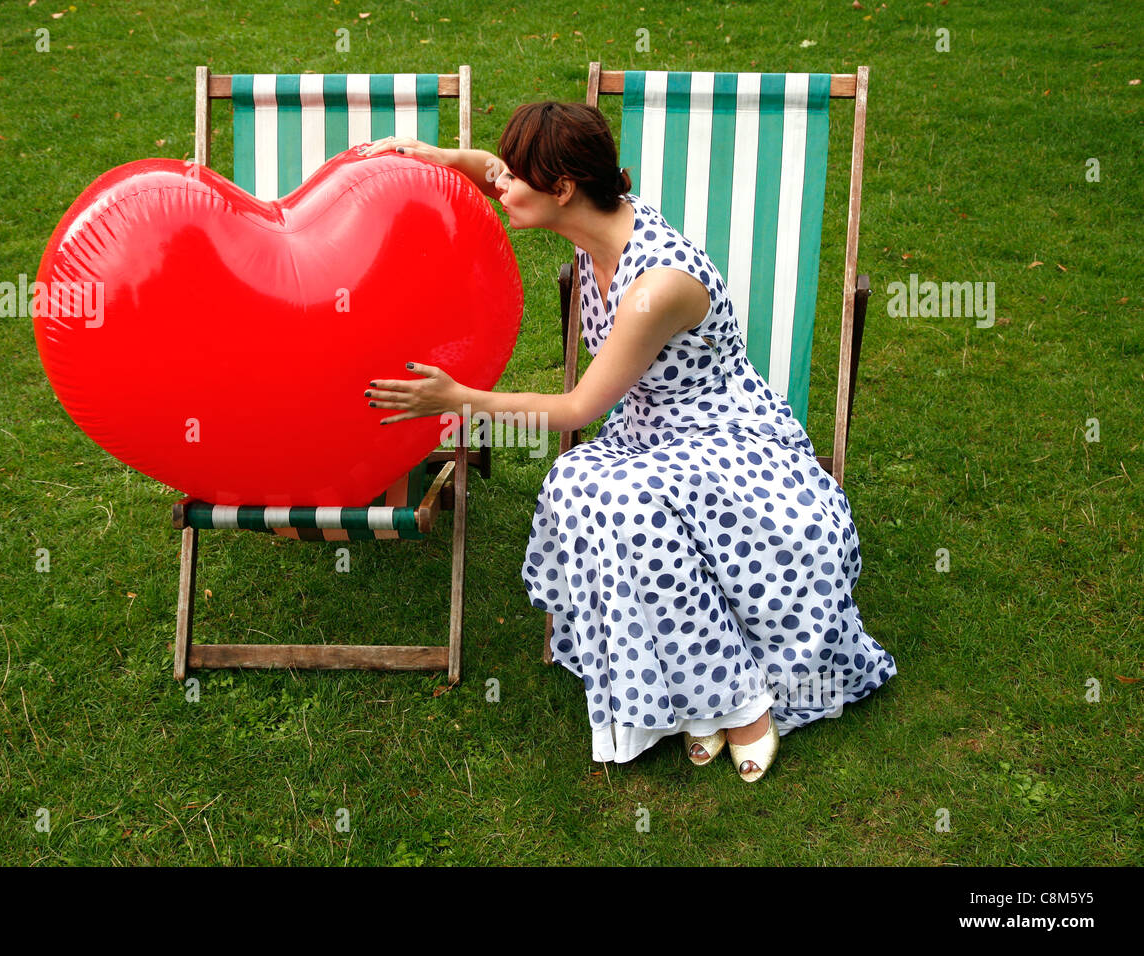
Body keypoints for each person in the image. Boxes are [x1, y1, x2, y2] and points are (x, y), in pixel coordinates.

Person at [357, 102, 896, 781]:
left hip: (726, 448)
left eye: (519, 178)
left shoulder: (657, 286)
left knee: (616, 493)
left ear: (562, 190)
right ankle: (703, 700)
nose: (502, 188)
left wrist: (458, 400)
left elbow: (578, 406)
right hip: (649, 433)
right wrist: (435, 156)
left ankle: (742, 704)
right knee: (578, 481)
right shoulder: (593, 221)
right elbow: (492, 171)